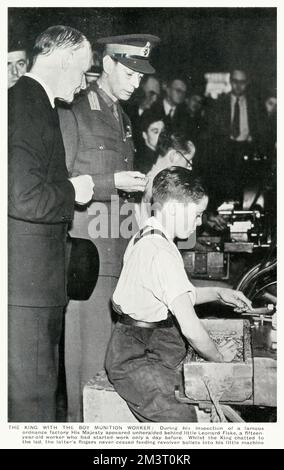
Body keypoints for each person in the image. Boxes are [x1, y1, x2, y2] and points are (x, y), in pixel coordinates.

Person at [58, 34, 160, 421]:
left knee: (109, 368)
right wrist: (110, 184)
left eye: (141, 75)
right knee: (86, 366)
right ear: (109, 63)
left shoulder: (123, 116)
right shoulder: (76, 111)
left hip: (118, 255)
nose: (137, 82)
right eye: (131, 72)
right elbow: (60, 183)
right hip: (87, 258)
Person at [105, 167, 252, 422]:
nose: (199, 222)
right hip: (137, 357)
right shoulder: (160, 251)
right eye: (196, 215)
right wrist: (219, 359)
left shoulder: (150, 235)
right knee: (182, 421)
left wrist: (219, 293)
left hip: (148, 344)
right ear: (172, 209)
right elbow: (192, 329)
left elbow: (179, 296)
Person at [8, 25, 94, 422]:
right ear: (62, 59)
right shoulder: (25, 104)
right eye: (82, 71)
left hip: (35, 286)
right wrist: (71, 191)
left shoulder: (37, 104)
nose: (82, 83)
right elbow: (22, 197)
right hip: (26, 290)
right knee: (31, 407)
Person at [206, 68, 262, 205]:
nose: (238, 85)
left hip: (246, 148)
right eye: (235, 81)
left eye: (242, 82)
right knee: (224, 188)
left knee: (245, 190)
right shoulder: (220, 102)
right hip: (225, 148)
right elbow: (213, 129)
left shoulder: (254, 103)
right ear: (230, 81)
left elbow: (260, 129)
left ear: (247, 83)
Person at [134, 109, 165, 174]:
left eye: (162, 131)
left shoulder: (164, 153)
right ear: (145, 135)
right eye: (155, 132)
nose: (161, 135)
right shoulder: (141, 162)